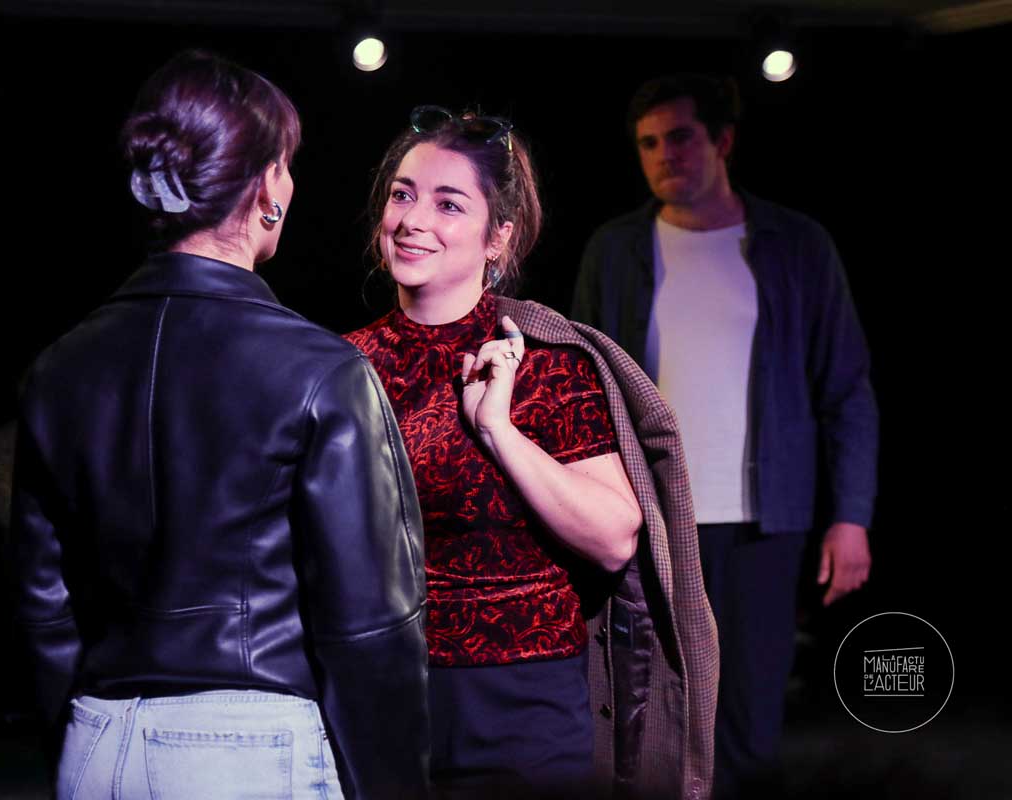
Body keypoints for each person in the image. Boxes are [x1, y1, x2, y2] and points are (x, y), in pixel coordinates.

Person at [11, 50, 429, 800]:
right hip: (247, 750)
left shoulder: (57, 369)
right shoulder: (321, 370)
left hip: (95, 739)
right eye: (287, 166)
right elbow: (368, 626)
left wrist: (77, 744)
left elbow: (44, 609)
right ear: (267, 187)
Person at [346, 106, 716, 799]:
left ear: (499, 237)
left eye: (448, 204)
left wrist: (499, 431)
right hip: (382, 694)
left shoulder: (542, 362)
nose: (413, 220)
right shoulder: (340, 367)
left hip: (521, 704)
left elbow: (615, 538)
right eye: (402, 194)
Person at [572, 74, 879, 799]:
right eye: (649, 143)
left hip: (762, 523)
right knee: (653, 711)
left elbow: (846, 388)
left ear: (724, 141)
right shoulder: (617, 249)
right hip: (651, 520)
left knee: (748, 715)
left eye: (680, 137)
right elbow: (580, 392)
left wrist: (851, 517)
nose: (664, 155)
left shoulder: (795, 245)